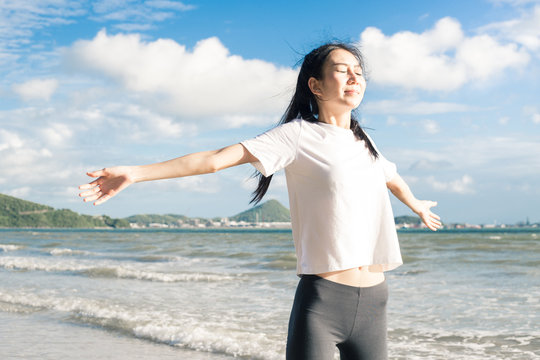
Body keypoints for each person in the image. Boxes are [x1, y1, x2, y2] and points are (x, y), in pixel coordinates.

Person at [79, 42, 441, 360]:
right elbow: (215, 159)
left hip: (376, 299)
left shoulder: (367, 144)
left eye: (359, 73)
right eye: (342, 70)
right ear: (315, 85)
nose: (354, 78)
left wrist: (417, 205)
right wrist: (137, 173)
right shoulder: (297, 136)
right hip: (325, 300)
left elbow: (391, 177)